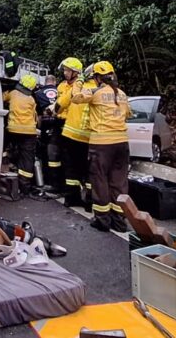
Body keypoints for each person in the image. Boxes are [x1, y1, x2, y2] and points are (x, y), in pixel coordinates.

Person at [71, 61, 131, 232]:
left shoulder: (95, 92)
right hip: (122, 143)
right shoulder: (122, 94)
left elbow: (76, 98)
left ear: (97, 77)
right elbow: (127, 113)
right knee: (119, 182)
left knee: (100, 181)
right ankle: (119, 222)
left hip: (102, 144)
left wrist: (79, 82)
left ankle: (103, 220)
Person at [55, 58, 96, 208]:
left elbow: (59, 104)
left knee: (71, 169)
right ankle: (90, 202)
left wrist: (55, 112)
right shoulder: (98, 90)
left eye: (67, 70)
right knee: (88, 170)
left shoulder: (77, 88)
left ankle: (71, 199)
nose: (65, 73)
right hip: (88, 137)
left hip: (70, 135)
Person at [2, 74, 39, 195]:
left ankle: (4, 165)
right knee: (27, 158)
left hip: (13, 129)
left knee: (5, 146)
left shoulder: (13, 93)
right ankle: (25, 187)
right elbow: (34, 116)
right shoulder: (31, 99)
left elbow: (2, 98)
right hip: (29, 132)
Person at [33, 75, 62, 192]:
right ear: (54, 82)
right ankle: (60, 181)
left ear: (45, 82)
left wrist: (39, 128)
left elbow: (38, 115)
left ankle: (49, 181)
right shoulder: (60, 91)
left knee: (46, 155)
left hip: (45, 125)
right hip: (59, 124)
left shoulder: (39, 93)